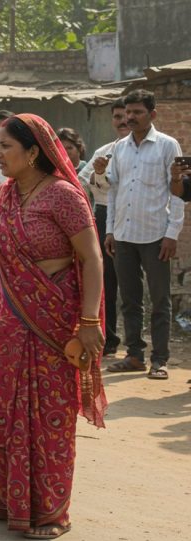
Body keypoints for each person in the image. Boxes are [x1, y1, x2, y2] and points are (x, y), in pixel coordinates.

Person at [0, 113, 107, 539]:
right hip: (9, 314)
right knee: (1, 404)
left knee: (47, 413)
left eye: (5, 146)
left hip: (54, 316)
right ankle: (1, 500)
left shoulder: (64, 195)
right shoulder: (6, 194)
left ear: (32, 152)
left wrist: (88, 320)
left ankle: (50, 512)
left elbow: (93, 258)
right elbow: (4, 253)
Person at [104, 89, 184, 380]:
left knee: (160, 300)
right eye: (128, 112)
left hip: (155, 235)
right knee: (129, 299)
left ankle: (160, 360)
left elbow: (177, 194)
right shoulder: (120, 147)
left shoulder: (167, 145)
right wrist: (111, 230)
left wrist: (172, 232)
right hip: (124, 234)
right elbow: (113, 191)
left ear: (152, 114)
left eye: (138, 112)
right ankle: (134, 355)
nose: (131, 117)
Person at [78, 98, 129, 356]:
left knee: (133, 285)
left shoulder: (157, 148)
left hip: (136, 220)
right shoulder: (104, 152)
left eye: (127, 116)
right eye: (118, 117)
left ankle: (137, 348)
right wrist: (98, 176)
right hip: (104, 216)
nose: (123, 121)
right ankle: (109, 339)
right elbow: (80, 182)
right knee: (107, 282)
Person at [57, 128, 91, 202]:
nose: (65, 152)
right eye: (61, 148)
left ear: (79, 149)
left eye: (69, 148)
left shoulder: (88, 171)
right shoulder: (54, 172)